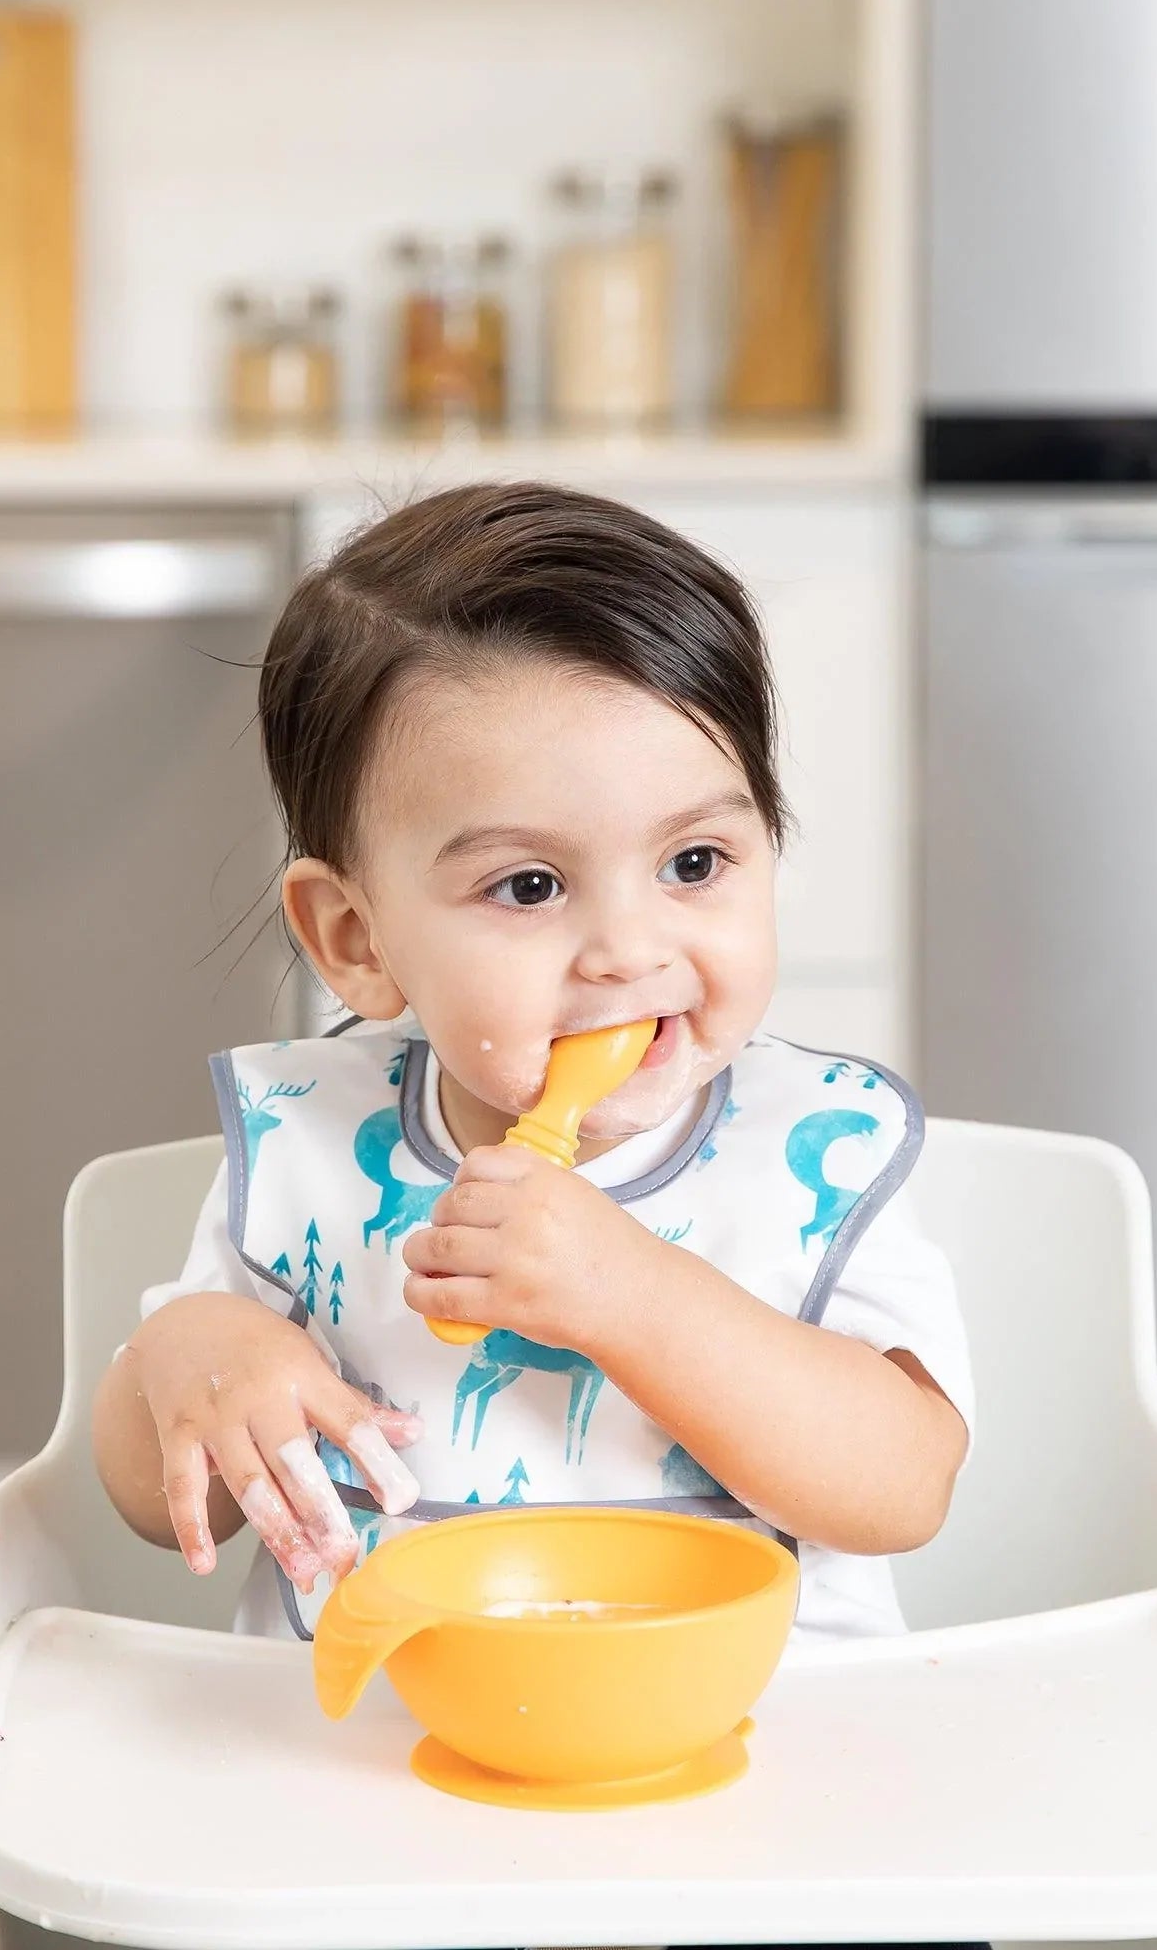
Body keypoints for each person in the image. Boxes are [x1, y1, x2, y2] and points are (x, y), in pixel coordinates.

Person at [92, 480, 973, 1646]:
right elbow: (169, 1507)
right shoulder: (311, 1147)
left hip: (751, 1771)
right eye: (528, 886)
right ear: (356, 940)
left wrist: (635, 1297)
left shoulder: (810, 1146)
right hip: (381, 1770)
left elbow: (902, 1488)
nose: (626, 950)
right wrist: (191, 1361)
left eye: (695, 860)